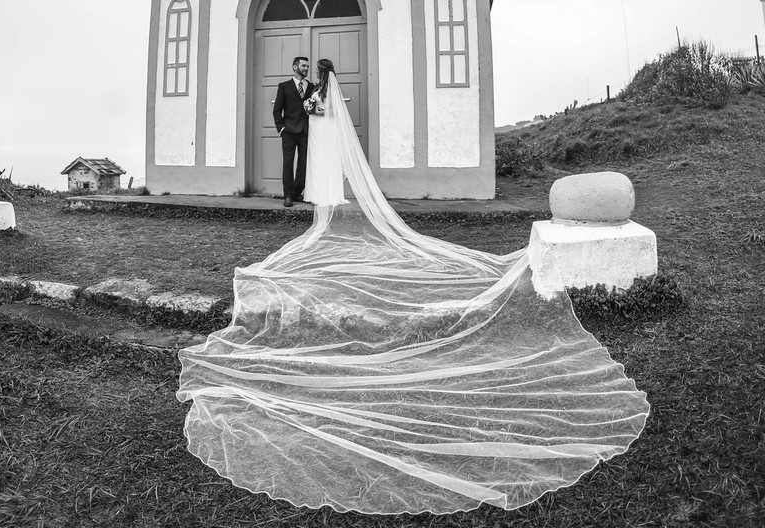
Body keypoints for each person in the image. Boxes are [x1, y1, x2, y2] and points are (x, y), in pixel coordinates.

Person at [178, 65, 651, 514]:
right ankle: (302, 192)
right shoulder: (303, 89)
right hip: (303, 132)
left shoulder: (321, 90)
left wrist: (316, 107)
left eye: (312, 69)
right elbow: (302, 108)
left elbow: (323, 109)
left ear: (318, 73)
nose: (310, 73)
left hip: (318, 134)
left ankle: (317, 194)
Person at [271, 56, 315, 208]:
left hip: (305, 131)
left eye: (308, 66)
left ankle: (297, 192)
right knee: (288, 164)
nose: (306, 69)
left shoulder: (311, 87)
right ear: (295, 67)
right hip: (289, 131)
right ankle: (288, 195)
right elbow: (277, 110)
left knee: (304, 164)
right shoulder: (284, 86)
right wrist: (281, 128)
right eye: (303, 66)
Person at [301, 58, 345, 207]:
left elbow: (335, 110)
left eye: (316, 68)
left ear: (322, 70)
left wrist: (316, 112)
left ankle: (326, 195)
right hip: (315, 128)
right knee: (316, 158)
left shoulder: (331, 87)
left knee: (325, 158)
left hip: (325, 127)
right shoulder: (318, 86)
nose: (314, 70)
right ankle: (315, 193)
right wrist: (309, 108)